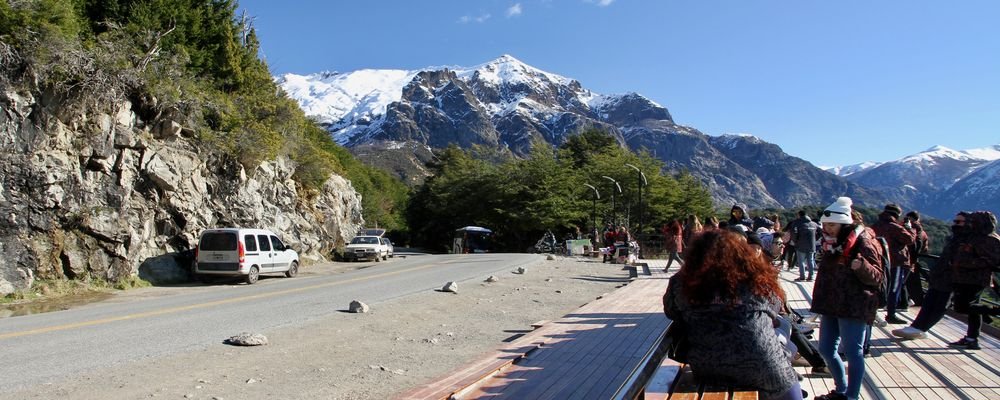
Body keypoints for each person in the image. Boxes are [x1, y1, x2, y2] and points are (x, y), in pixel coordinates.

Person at [663, 230, 802, 400]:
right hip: (763, 367)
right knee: (782, 333)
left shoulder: (681, 281)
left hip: (708, 365)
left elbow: (671, 311)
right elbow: (775, 308)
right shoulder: (754, 276)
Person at [811, 197, 884, 400]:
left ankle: (851, 395)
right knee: (825, 349)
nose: (827, 229)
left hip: (854, 305)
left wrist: (862, 266)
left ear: (844, 223)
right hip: (832, 303)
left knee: (853, 352)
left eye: (832, 225)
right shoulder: (831, 243)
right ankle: (841, 388)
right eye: (825, 225)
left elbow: (878, 276)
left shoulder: (864, 241)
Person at [892, 211, 1000, 350]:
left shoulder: (989, 239)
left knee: (962, 307)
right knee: (970, 308)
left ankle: (992, 312)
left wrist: (964, 263)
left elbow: (993, 260)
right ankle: (972, 338)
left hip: (974, 279)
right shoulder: (974, 237)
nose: (968, 224)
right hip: (964, 278)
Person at [870, 204, 916, 324]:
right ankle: (891, 314)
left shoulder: (875, 226)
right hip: (896, 261)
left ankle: (872, 310)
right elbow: (910, 240)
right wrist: (909, 228)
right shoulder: (895, 227)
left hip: (879, 260)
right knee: (894, 289)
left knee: (879, 287)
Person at [901, 211, 930, 307]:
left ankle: (903, 302)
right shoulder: (922, 232)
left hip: (901, 259)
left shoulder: (903, 228)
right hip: (913, 261)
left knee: (900, 282)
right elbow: (924, 249)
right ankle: (911, 300)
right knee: (911, 283)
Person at [790, 211, 819, 282]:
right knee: (811, 260)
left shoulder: (797, 223)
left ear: (799, 215)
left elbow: (793, 233)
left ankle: (802, 277)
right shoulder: (814, 224)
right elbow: (820, 232)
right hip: (811, 245)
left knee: (801, 261)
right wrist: (815, 239)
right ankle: (811, 276)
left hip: (800, 245)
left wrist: (795, 241)